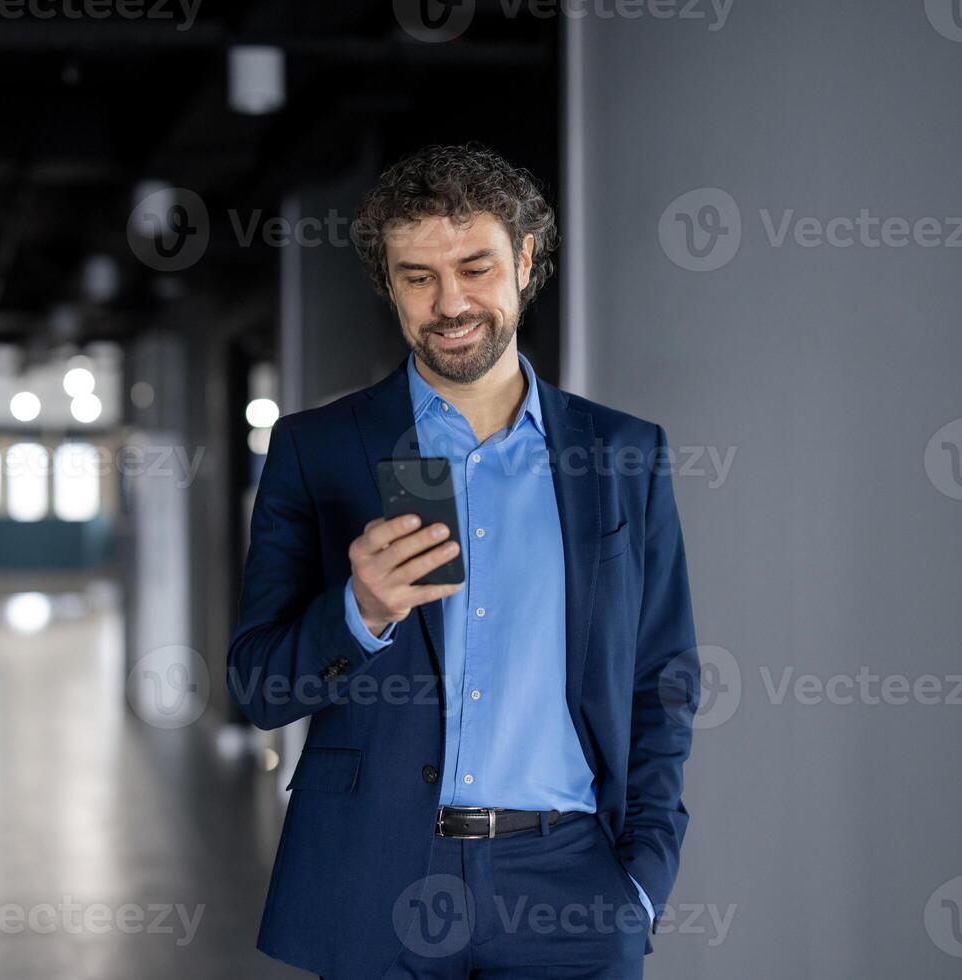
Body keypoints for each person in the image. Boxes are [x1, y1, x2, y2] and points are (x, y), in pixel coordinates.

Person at [227, 143, 700, 979]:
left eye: (475, 267)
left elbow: (661, 678)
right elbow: (259, 686)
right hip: (378, 875)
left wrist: (641, 881)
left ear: (525, 260)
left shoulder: (623, 453)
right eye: (418, 277)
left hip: (570, 885)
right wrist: (359, 612)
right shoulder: (317, 450)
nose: (450, 303)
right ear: (390, 284)